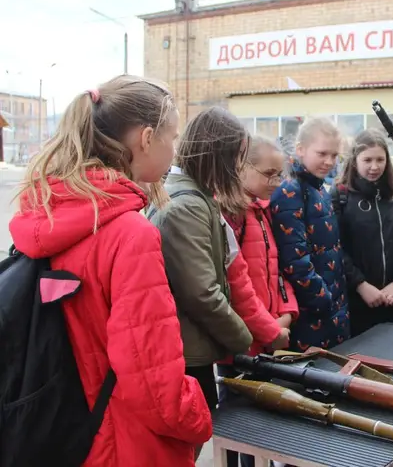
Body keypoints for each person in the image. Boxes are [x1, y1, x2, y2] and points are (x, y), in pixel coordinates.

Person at [9, 76, 212, 466]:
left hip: (65, 432)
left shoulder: (46, 213)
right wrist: (200, 417)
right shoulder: (129, 233)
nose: (174, 149)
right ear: (146, 138)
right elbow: (154, 386)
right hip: (124, 444)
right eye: (172, 136)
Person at [150, 107, 281, 459]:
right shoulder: (187, 207)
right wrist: (244, 338)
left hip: (193, 348)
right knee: (183, 448)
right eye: (236, 159)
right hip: (187, 354)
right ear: (218, 156)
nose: (237, 169)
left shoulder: (194, 199)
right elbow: (202, 293)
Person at [222, 134, 299, 467]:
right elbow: (234, 287)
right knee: (240, 433)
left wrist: (287, 312)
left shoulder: (262, 212)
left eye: (280, 174)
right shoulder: (232, 215)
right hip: (242, 345)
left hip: (268, 337)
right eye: (269, 174)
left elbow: (276, 272)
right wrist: (269, 328)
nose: (277, 182)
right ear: (242, 168)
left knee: (264, 429)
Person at [270, 116, 350, 350]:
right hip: (311, 312)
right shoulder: (290, 191)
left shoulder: (320, 188)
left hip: (331, 307)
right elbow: (294, 259)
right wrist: (323, 300)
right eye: (322, 153)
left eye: (334, 155)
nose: (329, 162)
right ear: (300, 149)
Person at [332, 128, 393, 337]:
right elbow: (335, 248)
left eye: (380, 159)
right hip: (356, 301)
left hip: (392, 299)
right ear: (354, 160)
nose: (374, 166)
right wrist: (360, 285)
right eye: (367, 160)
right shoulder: (340, 196)